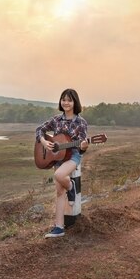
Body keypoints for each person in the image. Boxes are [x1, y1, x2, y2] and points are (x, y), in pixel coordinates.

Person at [35, 88, 89, 239]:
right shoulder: (56, 120)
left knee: (59, 175)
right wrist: (45, 142)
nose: (66, 103)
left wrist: (84, 146)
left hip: (73, 157)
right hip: (58, 158)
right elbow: (40, 129)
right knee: (59, 192)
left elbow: (82, 146)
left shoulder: (81, 123)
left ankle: (70, 185)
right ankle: (59, 227)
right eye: (63, 99)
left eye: (69, 100)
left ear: (75, 102)